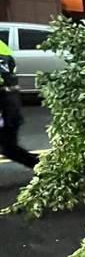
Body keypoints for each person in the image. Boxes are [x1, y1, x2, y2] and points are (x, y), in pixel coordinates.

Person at [0, 39, 38, 169]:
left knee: (8, 148)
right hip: (10, 103)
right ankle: (44, 167)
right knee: (8, 148)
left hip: (6, 106)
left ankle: (45, 167)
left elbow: (5, 77)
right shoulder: (2, 46)